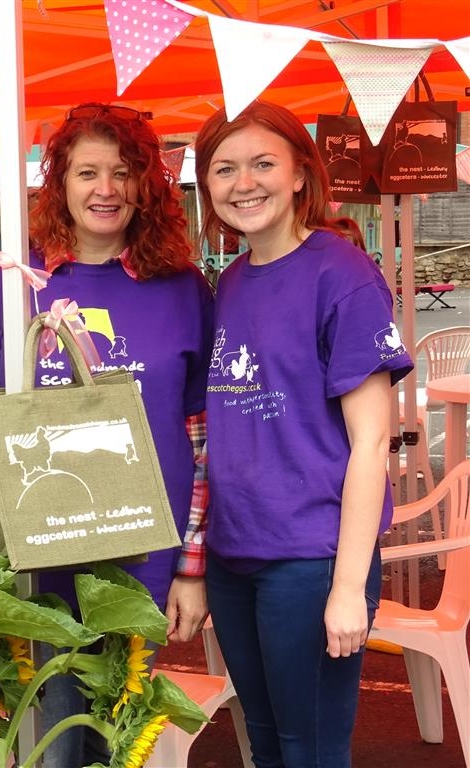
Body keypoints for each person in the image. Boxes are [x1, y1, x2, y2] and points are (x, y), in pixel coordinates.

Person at [0, 102, 214, 767]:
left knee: (117, 728)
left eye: (122, 172)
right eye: (86, 173)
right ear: (60, 183)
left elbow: (201, 436)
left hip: (144, 546)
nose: (105, 190)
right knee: (53, 733)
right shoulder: (17, 288)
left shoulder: (182, 289)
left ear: (146, 184)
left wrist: (191, 564)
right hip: (42, 547)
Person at [195, 100, 413, 768]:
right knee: (262, 741)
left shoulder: (340, 275)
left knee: (309, 750)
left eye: (263, 163)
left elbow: (372, 442)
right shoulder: (230, 282)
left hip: (312, 558)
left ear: (298, 175)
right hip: (237, 556)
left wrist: (348, 585)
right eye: (225, 169)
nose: (244, 183)